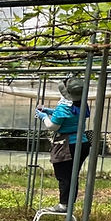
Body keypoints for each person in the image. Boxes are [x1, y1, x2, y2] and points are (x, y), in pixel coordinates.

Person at [35, 76, 91, 213]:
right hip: (82, 142)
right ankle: (69, 202)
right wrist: (49, 111)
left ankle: (63, 205)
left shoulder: (63, 107)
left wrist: (44, 117)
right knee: (73, 175)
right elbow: (69, 115)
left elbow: (53, 126)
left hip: (67, 145)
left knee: (64, 175)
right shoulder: (81, 104)